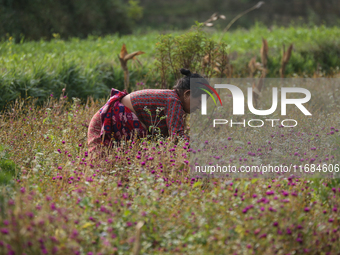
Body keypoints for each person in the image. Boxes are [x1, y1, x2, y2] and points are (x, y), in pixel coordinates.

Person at [87, 68, 209, 153]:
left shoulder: (170, 98)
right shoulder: (174, 101)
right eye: (199, 102)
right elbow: (177, 137)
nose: (199, 107)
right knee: (101, 166)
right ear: (188, 94)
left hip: (105, 121)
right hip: (104, 123)